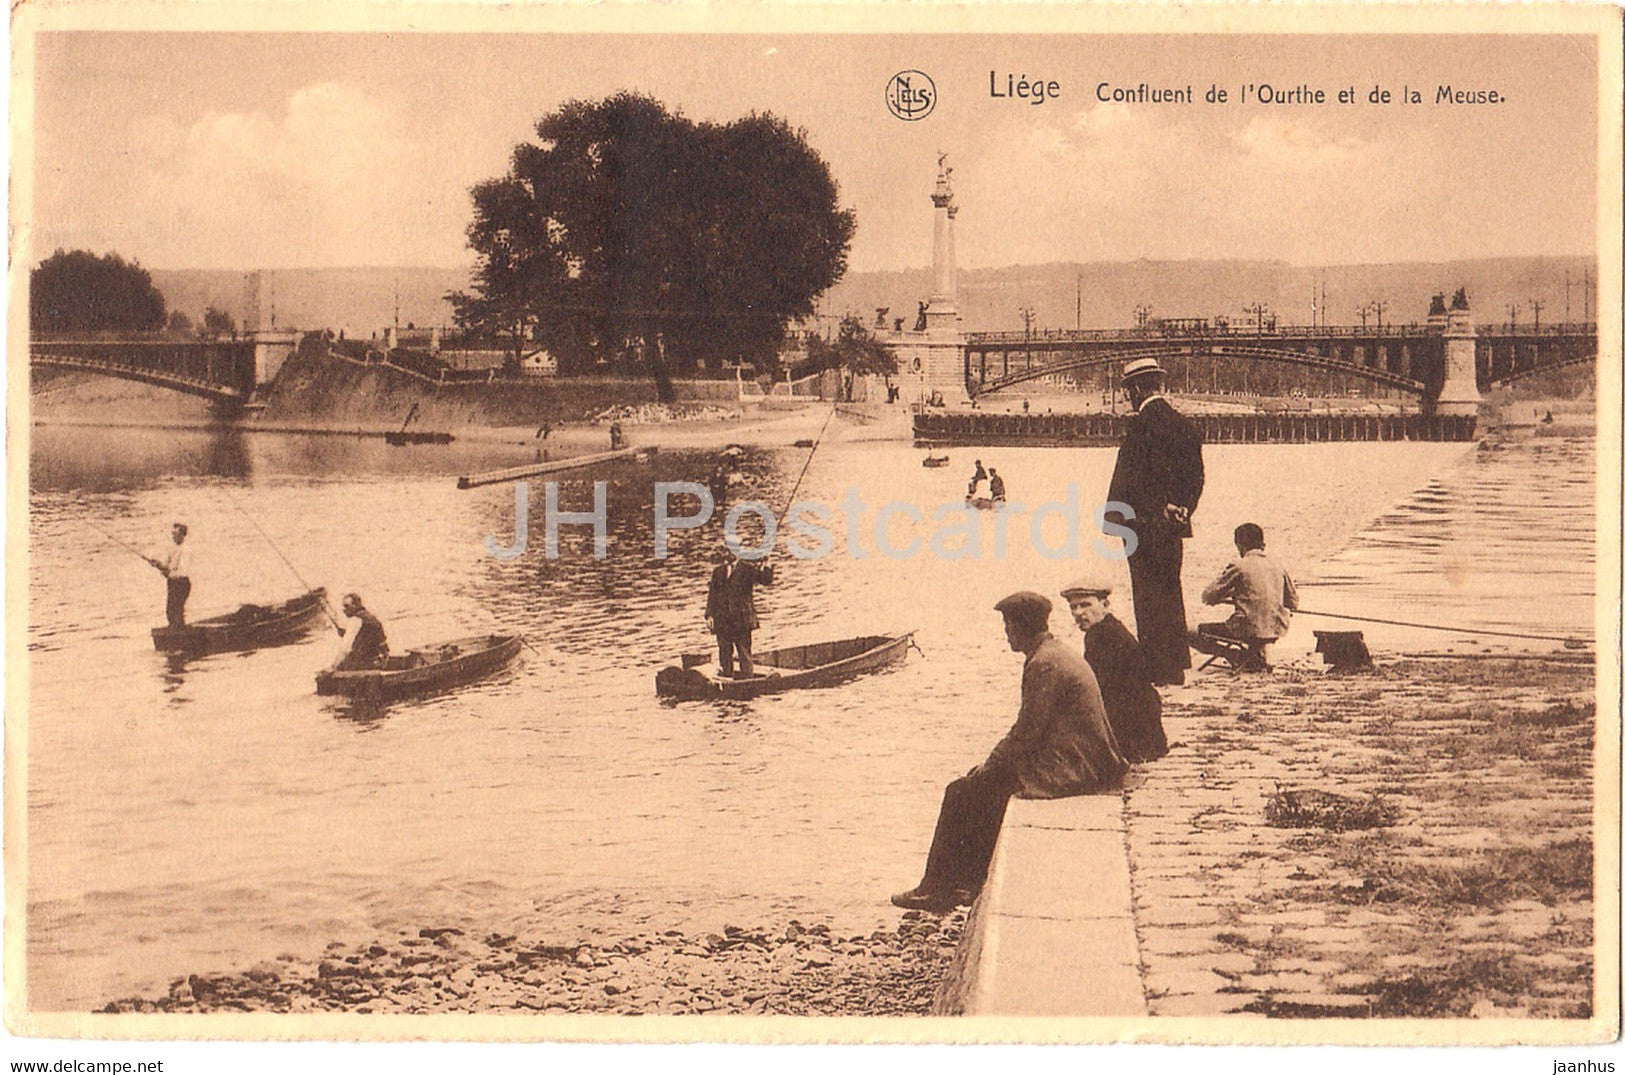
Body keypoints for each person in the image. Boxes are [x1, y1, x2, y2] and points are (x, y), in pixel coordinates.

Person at [891, 592, 1128, 913]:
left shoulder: (1044, 664)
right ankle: (967, 882)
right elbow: (1030, 732)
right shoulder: (1052, 654)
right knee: (984, 786)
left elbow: (1026, 732)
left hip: (1075, 766)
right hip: (1082, 757)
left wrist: (989, 765)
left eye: (1008, 626)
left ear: (1020, 628)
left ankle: (937, 888)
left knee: (962, 791)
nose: (1006, 634)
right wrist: (993, 767)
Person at [1104, 357, 1204, 686]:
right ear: (1158, 384)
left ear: (1135, 388)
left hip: (1142, 524)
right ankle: (1175, 665)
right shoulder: (1185, 424)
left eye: (1128, 391)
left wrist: (1122, 520)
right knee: (1170, 589)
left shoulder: (1140, 426)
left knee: (1146, 594)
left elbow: (1133, 480)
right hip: (1174, 525)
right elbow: (1196, 477)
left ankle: (1156, 665)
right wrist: (1181, 507)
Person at [1061, 577, 1167, 764]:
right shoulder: (1109, 628)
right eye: (1073, 607)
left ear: (1105, 604)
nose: (1078, 613)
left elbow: (1099, 691)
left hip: (1130, 727)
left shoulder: (1100, 636)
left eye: (1085, 605)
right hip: (1141, 722)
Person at [1191, 523, 1299, 671]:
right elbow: (1293, 602)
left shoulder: (1239, 565)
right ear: (1263, 545)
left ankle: (1237, 656)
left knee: (1188, 632)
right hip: (1277, 628)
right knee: (1255, 623)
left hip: (1247, 629)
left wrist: (1228, 594)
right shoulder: (1278, 565)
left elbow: (1207, 596)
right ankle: (1254, 656)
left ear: (1239, 545)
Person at [705, 549, 774, 678]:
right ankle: (727, 676)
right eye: (726, 551)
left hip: (741, 620)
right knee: (724, 651)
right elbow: (712, 596)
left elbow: (765, 580)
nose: (728, 554)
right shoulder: (718, 572)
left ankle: (747, 679)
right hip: (723, 620)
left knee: (744, 651)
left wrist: (767, 564)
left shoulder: (747, 568)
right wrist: (709, 615)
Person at [147, 522, 192, 627]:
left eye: (175, 535)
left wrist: (168, 573)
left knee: (177, 612)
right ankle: (175, 632)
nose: (173, 537)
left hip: (182, 584)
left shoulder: (186, 550)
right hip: (172, 583)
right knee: (170, 612)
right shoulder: (172, 549)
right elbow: (166, 565)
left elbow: (182, 572)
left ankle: (180, 634)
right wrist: (157, 564)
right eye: (172, 534)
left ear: (182, 535)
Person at [330, 593, 389, 671]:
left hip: (364, 664)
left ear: (356, 606)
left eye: (347, 606)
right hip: (378, 661)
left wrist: (333, 668)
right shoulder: (370, 617)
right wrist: (346, 633)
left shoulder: (355, 620)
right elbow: (367, 638)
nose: (343, 609)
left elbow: (345, 649)